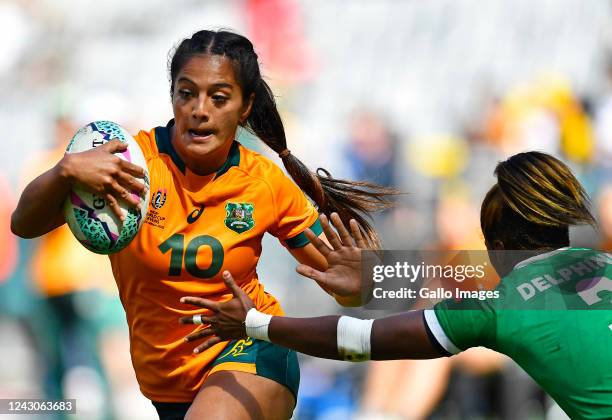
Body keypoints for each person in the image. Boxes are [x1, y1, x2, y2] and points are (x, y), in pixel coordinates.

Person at [11, 30, 394, 420]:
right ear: (173, 97)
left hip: (251, 353)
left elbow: (356, 286)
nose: (199, 109)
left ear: (245, 107)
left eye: (219, 97)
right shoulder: (132, 163)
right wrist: (65, 172)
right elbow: (23, 224)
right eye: (186, 92)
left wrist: (360, 284)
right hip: (168, 386)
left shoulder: (264, 182)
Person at [182, 151, 612, 419]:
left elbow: (359, 337)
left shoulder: (499, 301)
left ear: (495, 245)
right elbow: (431, 278)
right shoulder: (602, 260)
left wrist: (255, 324)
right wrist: (373, 275)